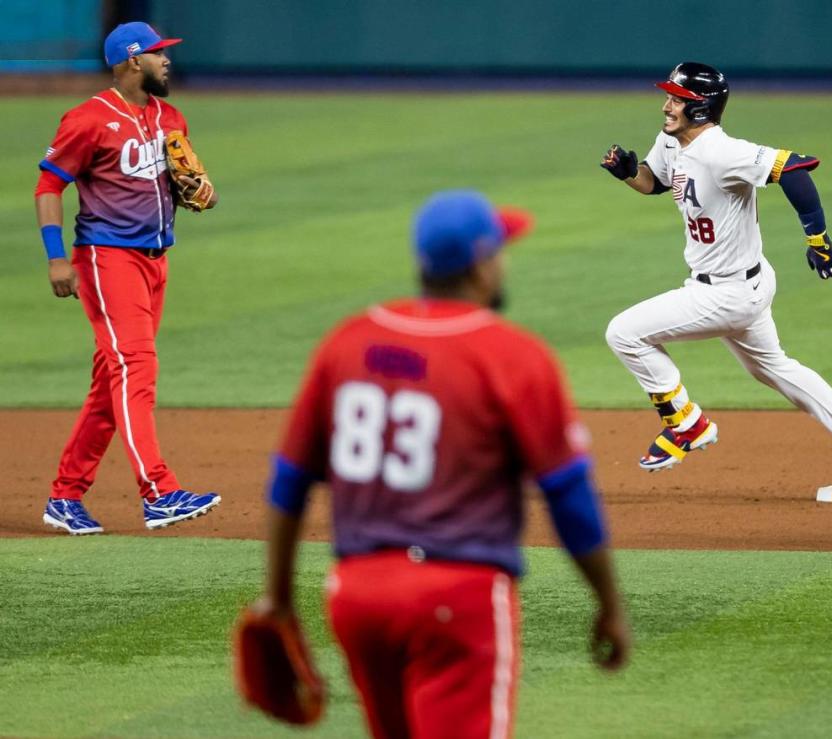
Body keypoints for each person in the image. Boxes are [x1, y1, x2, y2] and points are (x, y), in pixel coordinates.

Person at [253, 191, 631, 738]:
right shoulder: (511, 354)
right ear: (481, 265)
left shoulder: (349, 342)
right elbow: (568, 494)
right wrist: (609, 603)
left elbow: (289, 481)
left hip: (358, 598)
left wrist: (280, 601)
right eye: (501, 250)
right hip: (457, 598)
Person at [600, 62, 832, 492]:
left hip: (727, 293)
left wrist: (818, 238)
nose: (666, 105)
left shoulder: (723, 152)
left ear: (700, 109)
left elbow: (794, 168)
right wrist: (629, 173)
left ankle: (685, 423)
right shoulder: (671, 141)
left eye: (676, 99)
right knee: (774, 368)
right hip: (739, 286)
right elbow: (655, 183)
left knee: (623, 333)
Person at [36, 22, 221, 534]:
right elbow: (49, 186)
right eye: (160, 54)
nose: (168, 61)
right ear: (132, 60)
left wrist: (198, 191)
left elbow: (183, 184)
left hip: (155, 263)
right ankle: (159, 492)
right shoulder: (88, 119)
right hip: (105, 259)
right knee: (136, 366)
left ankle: (65, 496)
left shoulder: (171, 116)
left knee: (109, 382)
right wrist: (56, 259)